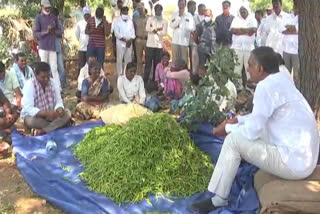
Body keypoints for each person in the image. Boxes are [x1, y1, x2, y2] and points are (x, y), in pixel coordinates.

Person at [190, 47, 319, 213]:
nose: (247, 68)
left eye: (250, 65)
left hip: (294, 163)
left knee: (233, 141)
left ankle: (218, 199)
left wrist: (227, 128)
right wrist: (238, 120)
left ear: (260, 69)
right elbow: (261, 117)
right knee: (249, 131)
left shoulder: (265, 87)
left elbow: (252, 131)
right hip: (305, 158)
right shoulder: (282, 78)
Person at [21, 62, 71, 135]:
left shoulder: (53, 83)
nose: (46, 79)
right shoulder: (29, 85)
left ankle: (43, 131)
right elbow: (28, 108)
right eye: (43, 77)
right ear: (36, 75)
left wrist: (59, 108)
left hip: (52, 116)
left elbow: (59, 101)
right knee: (30, 120)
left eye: (48, 76)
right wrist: (45, 113)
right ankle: (57, 126)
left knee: (67, 113)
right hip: (36, 117)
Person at [33, 0, 62, 89]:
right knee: (43, 69)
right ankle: (42, 87)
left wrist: (53, 31)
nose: (48, 9)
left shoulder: (54, 17)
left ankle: (58, 88)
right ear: (42, 7)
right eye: (46, 7)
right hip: (43, 47)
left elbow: (60, 32)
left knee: (54, 68)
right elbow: (36, 34)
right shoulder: (38, 18)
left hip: (52, 46)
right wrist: (46, 32)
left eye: (49, 7)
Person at [230, 4, 257, 90]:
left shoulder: (252, 19)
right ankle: (238, 88)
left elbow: (253, 31)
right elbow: (233, 30)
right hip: (237, 48)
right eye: (241, 10)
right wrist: (246, 31)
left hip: (249, 48)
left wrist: (240, 30)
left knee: (249, 68)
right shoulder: (236, 19)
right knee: (237, 68)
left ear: (247, 10)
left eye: (244, 10)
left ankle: (250, 88)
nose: (242, 12)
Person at [144, 4, 168, 83]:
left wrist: (156, 30)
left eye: (159, 10)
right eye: (156, 10)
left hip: (159, 46)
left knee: (157, 65)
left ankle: (155, 81)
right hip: (150, 45)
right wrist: (155, 29)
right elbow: (147, 28)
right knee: (148, 64)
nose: (158, 11)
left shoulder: (164, 21)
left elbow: (164, 32)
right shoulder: (150, 19)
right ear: (154, 10)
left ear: (161, 10)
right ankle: (145, 81)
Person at [114, 6, 136, 76]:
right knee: (120, 59)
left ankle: (126, 74)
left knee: (128, 59)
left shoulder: (130, 21)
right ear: (121, 13)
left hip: (129, 43)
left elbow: (133, 32)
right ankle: (119, 74)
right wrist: (125, 41)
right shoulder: (117, 21)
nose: (125, 14)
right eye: (124, 13)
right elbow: (116, 33)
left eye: (126, 13)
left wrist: (130, 40)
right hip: (121, 43)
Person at [282, 4, 299, 87]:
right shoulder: (287, 17)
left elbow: (300, 29)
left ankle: (297, 91)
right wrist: (294, 30)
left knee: (297, 75)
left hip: (297, 51)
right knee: (286, 74)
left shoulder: (303, 17)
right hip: (286, 50)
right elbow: (282, 29)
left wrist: (289, 28)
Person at [52, 7, 67, 89]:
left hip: (57, 48)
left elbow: (61, 32)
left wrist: (53, 31)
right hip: (49, 49)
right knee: (52, 68)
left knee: (60, 67)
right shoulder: (45, 22)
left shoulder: (58, 22)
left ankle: (62, 84)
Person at [75, 6, 91, 74]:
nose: (87, 16)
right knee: (82, 65)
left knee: (90, 65)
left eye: (88, 15)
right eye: (85, 15)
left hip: (90, 48)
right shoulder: (79, 23)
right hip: (82, 48)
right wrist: (81, 40)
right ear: (83, 15)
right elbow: (77, 34)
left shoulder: (93, 22)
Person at [134, 3, 148, 75]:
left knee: (147, 58)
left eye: (141, 8)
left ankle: (146, 74)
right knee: (139, 59)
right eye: (138, 9)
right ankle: (139, 74)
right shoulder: (136, 19)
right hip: (138, 40)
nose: (140, 10)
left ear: (144, 8)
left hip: (147, 40)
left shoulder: (149, 18)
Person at [188, 0, 199, 74]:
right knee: (185, 58)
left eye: (195, 7)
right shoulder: (185, 15)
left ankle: (194, 74)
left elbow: (198, 27)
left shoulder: (196, 16)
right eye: (193, 6)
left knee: (194, 58)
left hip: (194, 40)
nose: (194, 8)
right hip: (184, 40)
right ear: (188, 7)